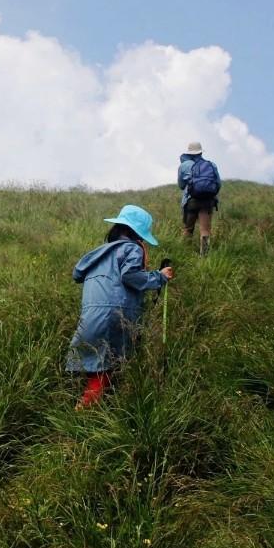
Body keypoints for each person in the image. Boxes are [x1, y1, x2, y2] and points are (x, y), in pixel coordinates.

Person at [66, 205, 173, 409]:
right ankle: (83, 413)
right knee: (105, 369)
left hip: (89, 317)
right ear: (137, 235)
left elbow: (77, 274)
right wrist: (159, 277)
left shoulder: (98, 253)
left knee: (98, 364)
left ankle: (95, 404)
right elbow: (130, 276)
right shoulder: (132, 248)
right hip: (113, 316)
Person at [177, 141, 221, 255]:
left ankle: (184, 253)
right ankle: (204, 256)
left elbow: (181, 185)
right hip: (207, 201)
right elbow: (218, 184)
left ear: (189, 153)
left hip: (190, 200)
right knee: (205, 231)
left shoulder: (184, 166)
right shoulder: (211, 165)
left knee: (187, 229)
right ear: (201, 152)